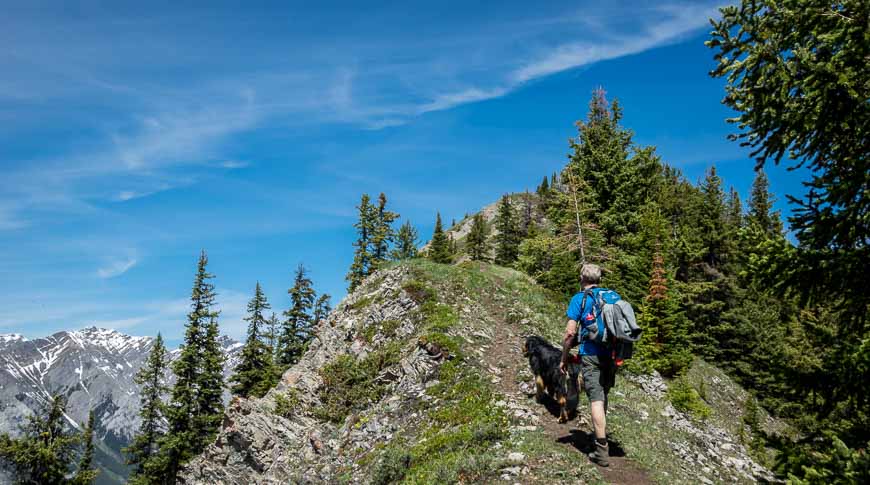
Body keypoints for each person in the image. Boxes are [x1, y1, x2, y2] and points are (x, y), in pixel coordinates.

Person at [560, 263, 616, 467]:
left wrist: (564, 357)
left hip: (591, 354)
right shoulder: (612, 296)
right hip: (611, 354)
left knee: (596, 399)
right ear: (599, 279)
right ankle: (599, 432)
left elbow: (569, 334)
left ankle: (601, 451)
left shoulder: (579, 299)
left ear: (582, 278)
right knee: (603, 395)